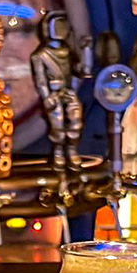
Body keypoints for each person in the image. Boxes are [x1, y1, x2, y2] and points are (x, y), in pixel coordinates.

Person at [30, 11, 84, 171]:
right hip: (53, 95)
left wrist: (86, 51)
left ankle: (72, 150)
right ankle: (58, 151)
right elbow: (40, 80)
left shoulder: (69, 53)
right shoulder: (40, 56)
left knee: (75, 120)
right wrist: (47, 97)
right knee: (57, 122)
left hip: (69, 92)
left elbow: (78, 71)